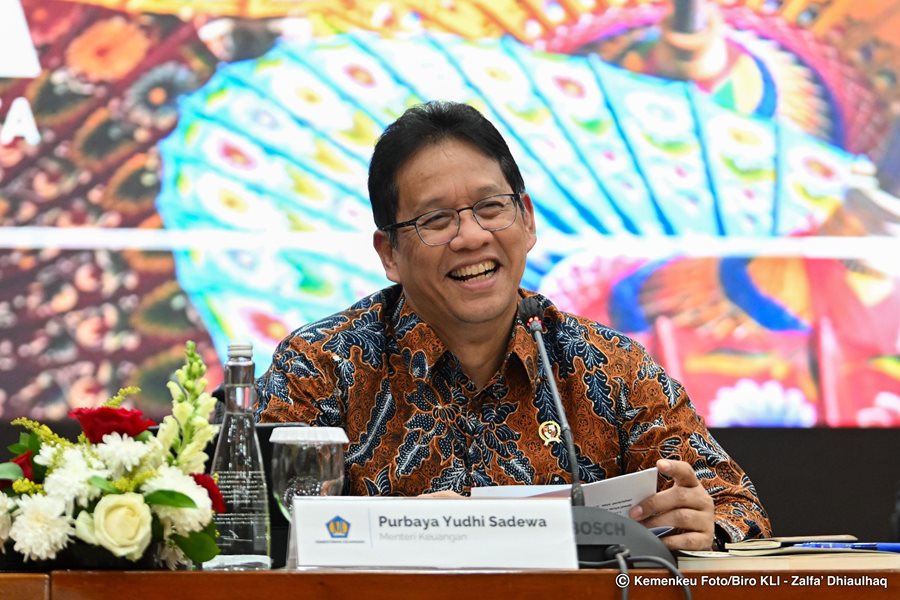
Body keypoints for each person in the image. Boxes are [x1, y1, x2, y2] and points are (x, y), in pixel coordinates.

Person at [256, 100, 771, 550]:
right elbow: (254, 527)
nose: (471, 236)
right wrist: (397, 529)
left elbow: (738, 506)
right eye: (436, 220)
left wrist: (704, 525)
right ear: (389, 253)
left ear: (526, 219)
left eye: (490, 208)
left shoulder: (612, 368)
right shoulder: (320, 366)